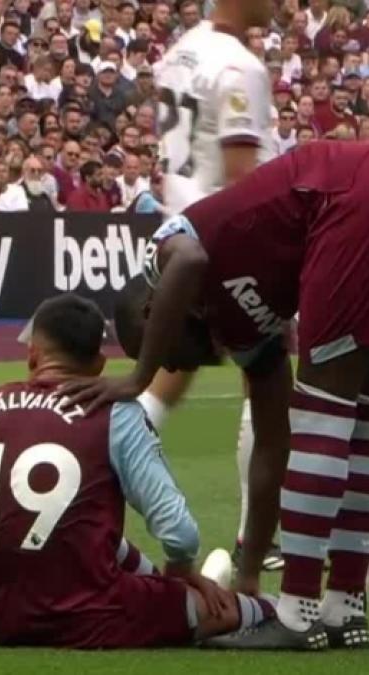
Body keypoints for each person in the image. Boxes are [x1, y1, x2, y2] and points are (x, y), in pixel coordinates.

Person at [64, 141, 369, 650]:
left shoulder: (167, 255)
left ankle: (298, 613)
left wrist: (138, 377)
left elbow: (188, 261)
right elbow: (273, 445)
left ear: (154, 312)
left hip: (354, 193)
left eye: (166, 350)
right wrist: (248, 576)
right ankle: (345, 608)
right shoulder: (247, 336)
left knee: (324, 414)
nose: (178, 366)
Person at [0, 293, 275, 648]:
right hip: (92, 616)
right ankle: (285, 614)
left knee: (106, 539)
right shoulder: (114, 412)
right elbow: (179, 533)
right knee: (232, 609)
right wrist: (181, 578)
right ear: (99, 365)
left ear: (32, 356)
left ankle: (159, 585)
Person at [146, 0, 278, 575]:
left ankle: (87, 473)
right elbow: (242, 176)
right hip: (225, 240)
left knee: (166, 380)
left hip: (178, 236)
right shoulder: (235, 64)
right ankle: (258, 536)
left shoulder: (179, 53)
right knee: (268, 379)